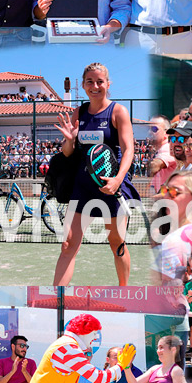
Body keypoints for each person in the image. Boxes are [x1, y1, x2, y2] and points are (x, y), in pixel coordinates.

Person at [51, 63, 140, 287]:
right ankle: (56, 299)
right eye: (90, 81)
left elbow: (129, 148)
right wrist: (69, 139)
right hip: (82, 186)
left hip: (111, 183)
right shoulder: (78, 112)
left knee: (116, 243)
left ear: (108, 84)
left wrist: (118, 179)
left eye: (100, 81)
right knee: (68, 243)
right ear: (83, 85)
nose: (95, 86)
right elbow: (68, 153)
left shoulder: (118, 111)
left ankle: (123, 291)